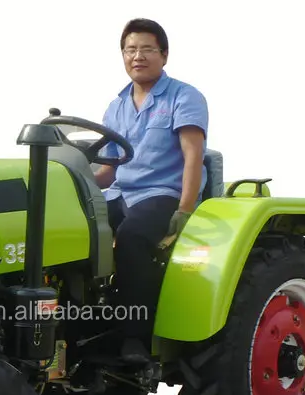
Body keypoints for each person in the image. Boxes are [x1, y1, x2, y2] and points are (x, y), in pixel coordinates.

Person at [94, 18, 208, 364]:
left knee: (132, 237)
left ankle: (136, 338)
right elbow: (108, 171)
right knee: (74, 231)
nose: (137, 56)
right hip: (121, 193)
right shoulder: (116, 106)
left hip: (163, 192)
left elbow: (193, 157)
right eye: (130, 50)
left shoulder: (183, 97)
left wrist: (185, 209)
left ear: (164, 55)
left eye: (146, 49)